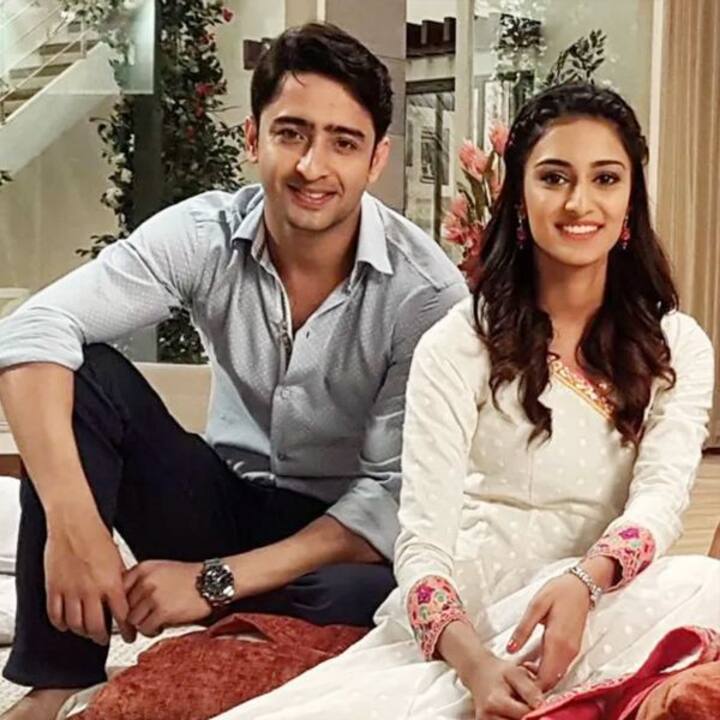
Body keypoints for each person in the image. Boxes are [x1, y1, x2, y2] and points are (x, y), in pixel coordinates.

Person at [207, 83, 720, 720]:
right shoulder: (460, 342)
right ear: (519, 196)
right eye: (554, 177)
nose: (579, 203)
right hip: (476, 617)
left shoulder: (676, 346)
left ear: (631, 199)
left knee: (706, 584)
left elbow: (659, 502)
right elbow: (421, 543)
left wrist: (586, 582)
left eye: (606, 179)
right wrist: (475, 665)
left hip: (601, 602)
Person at [0, 22, 467, 720]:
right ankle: (56, 681)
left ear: (377, 160)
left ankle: (234, 635)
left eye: (343, 142)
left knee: (362, 598)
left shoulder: (425, 295)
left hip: (335, 542)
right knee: (87, 374)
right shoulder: (205, 235)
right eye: (291, 133)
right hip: (220, 499)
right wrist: (76, 527)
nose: (312, 166)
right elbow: (31, 329)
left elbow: (391, 497)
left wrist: (210, 582)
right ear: (253, 139)